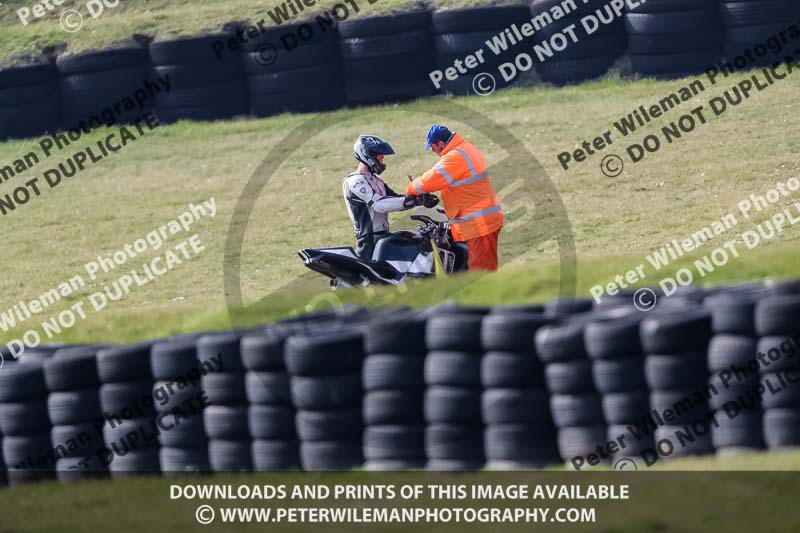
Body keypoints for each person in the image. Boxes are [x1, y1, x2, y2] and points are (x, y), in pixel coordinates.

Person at [405, 125, 503, 271]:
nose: (433, 151)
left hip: (479, 224)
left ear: (441, 144)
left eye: (433, 147)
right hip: (484, 219)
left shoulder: (455, 157)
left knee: (481, 273)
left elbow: (431, 179)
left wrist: (410, 188)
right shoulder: (466, 148)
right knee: (483, 267)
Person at [343, 135, 438, 260]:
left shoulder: (376, 180)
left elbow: (395, 198)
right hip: (368, 241)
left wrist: (420, 198)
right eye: (380, 157)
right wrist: (414, 200)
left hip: (383, 235)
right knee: (373, 279)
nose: (382, 161)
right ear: (368, 156)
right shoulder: (355, 181)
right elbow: (379, 205)